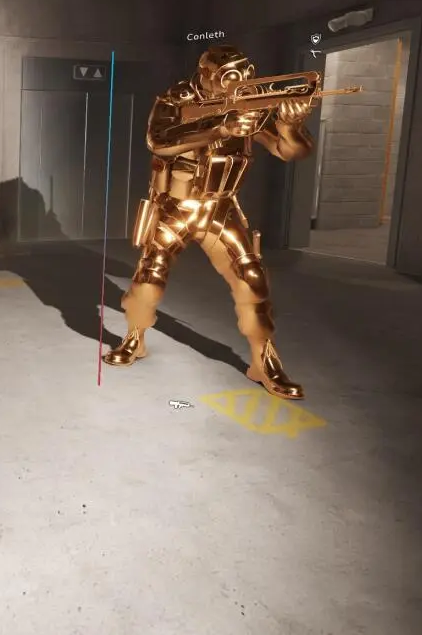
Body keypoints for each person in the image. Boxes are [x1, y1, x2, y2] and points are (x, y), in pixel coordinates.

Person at [103, 45, 315, 400]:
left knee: (252, 279)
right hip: (174, 207)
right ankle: (134, 337)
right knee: (149, 279)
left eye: (246, 72)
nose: (241, 82)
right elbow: (159, 140)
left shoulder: (250, 100)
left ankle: (264, 359)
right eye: (231, 75)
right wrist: (220, 127)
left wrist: (291, 126)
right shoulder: (176, 99)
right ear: (207, 76)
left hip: (221, 207)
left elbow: (290, 151)